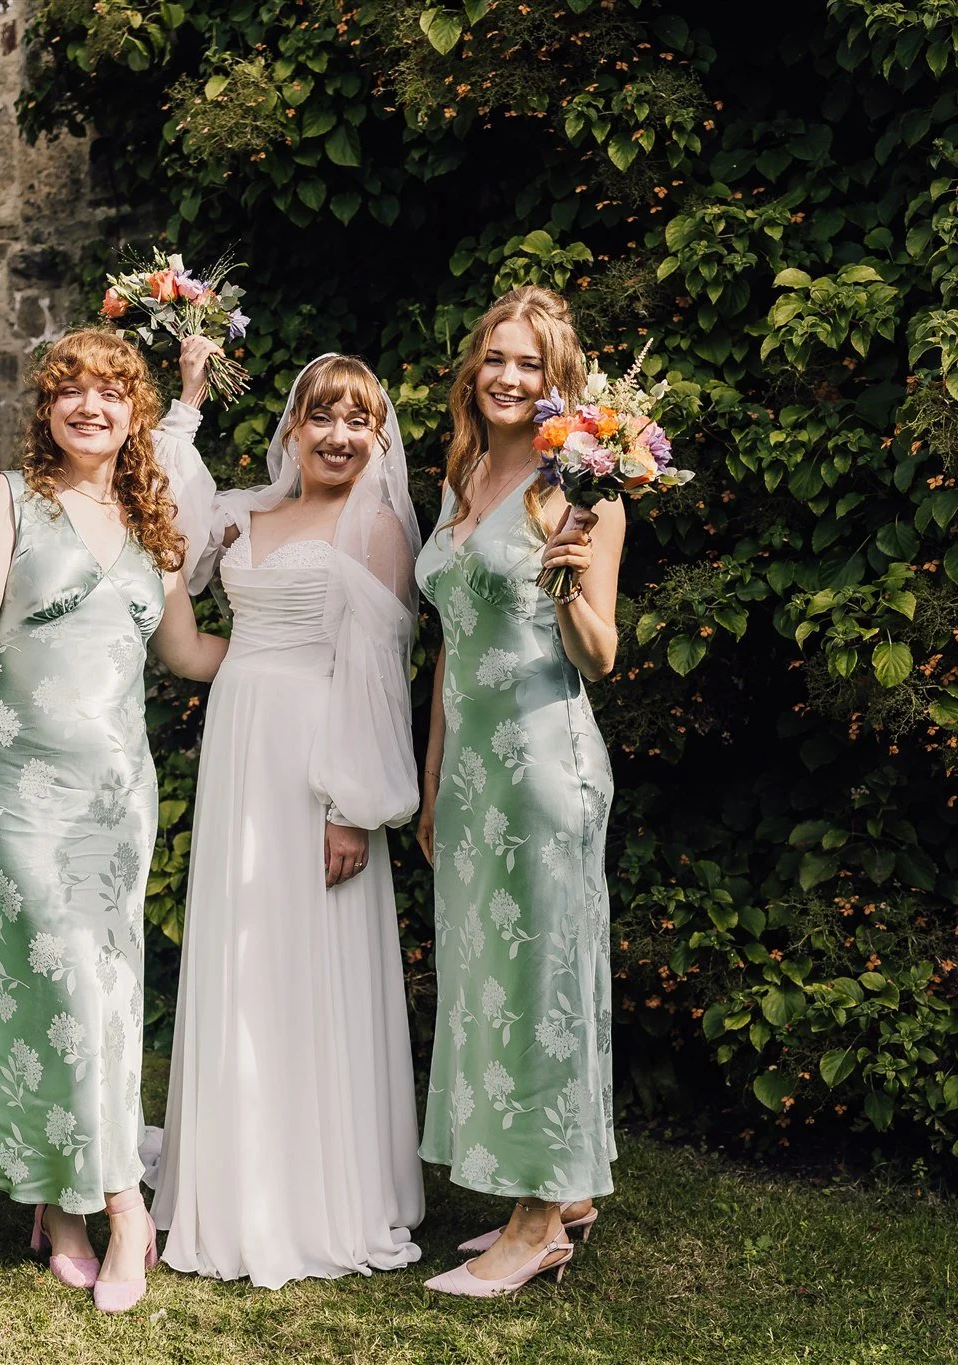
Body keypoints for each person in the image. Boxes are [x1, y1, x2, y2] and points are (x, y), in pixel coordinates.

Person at [0, 329, 227, 1314]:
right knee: (47, 983)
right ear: (46, 409)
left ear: (135, 411)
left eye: (108, 392)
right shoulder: (9, 500)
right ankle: (114, 1206)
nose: (89, 407)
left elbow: (184, 652)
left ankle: (66, 1208)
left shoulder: (151, 519)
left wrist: (302, 652)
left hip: (111, 797)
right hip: (10, 786)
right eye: (69, 393)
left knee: (101, 990)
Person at [150, 354, 426, 1289]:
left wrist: (353, 807)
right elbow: (165, 539)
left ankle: (317, 1190)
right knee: (243, 952)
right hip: (242, 744)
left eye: (360, 421)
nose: (340, 435)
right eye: (323, 416)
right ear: (293, 427)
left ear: (378, 438)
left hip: (319, 767)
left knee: (309, 960)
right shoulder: (241, 511)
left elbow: (379, 676)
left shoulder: (378, 527)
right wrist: (185, 401)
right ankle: (231, 1181)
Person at [412, 286, 624, 1297]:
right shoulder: (464, 473)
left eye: (528, 364)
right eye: (495, 357)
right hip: (471, 776)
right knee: (489, 981)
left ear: (558, 383)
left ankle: (537, 1222)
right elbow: (451, 653)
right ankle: (552, 1190)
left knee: (544, 984)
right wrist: (428, 783)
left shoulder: (580, 488)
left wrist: (567, 582)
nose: (506, 376)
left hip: (547, 767)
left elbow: (599, 654)